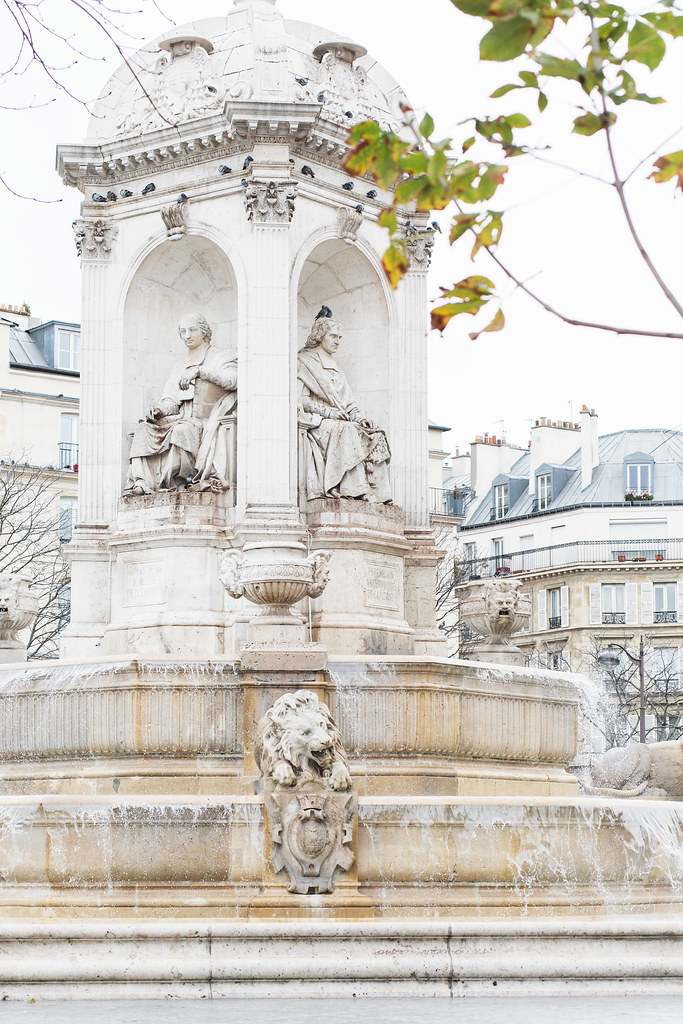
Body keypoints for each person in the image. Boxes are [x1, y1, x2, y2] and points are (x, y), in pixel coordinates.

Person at [125, 313, 237, 495]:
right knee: (143, 430)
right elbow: (171, 400)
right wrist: (159, 411)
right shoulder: (180, 366)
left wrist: (201, 372)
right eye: (183, 331)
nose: (187, 335)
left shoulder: (220, 357)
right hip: (182, 417)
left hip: (207, 420)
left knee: (181, 432)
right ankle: (142, 483)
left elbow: (233, 380)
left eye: (192, 330)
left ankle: (173, 483)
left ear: (204, 331)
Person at [297, 309, 391, 503]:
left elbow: (349, 403)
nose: (337, 341)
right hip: (317, 422)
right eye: (333, 336)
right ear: (320, 336)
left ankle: (381, 494)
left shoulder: (336, 366)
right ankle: (355, 489)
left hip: (339, 420)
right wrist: (328, 411)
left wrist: (360, 418)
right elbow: (301, 400)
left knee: (375, 433)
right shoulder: (305, 361)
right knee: (346, 430)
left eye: (339, 337)